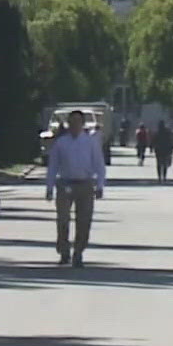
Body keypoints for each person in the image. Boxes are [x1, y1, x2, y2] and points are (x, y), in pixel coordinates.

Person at [45, 109, 106, 266]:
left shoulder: (90, 142)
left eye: (78, 122)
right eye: (71, 122)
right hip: (65, 183)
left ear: (83, 124)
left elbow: (99, 164)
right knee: (63, 219)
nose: (74, 125)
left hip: (85, 184)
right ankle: (64, 251)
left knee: (84, 221)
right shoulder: (61, 143)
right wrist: (49, 187)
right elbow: (53, 165)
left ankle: (78, 252)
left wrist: (100, 185)